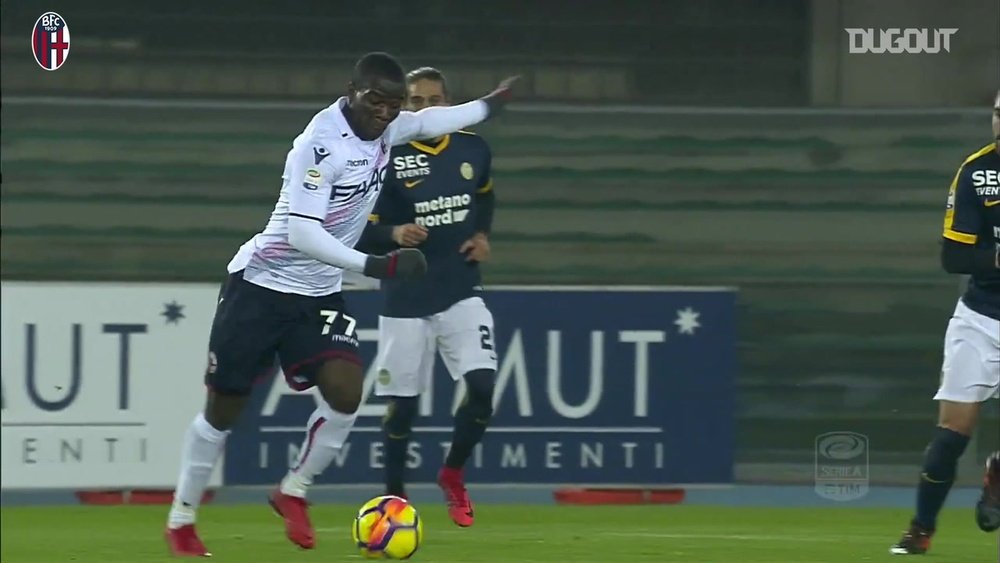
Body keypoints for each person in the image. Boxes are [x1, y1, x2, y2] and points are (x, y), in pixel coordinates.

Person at [164, 51, 518, 557]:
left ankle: (293, 490)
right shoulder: (319, 145)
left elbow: (429, 119)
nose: (387, 112)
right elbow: (302, 233)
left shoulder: (388, 125)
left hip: (318, 294)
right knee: (224, 411)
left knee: (347, 394)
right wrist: (376, 266)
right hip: (262, 286)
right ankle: (182, 517)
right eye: (377, 101)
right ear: (351, 91)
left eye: (394, 104)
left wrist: (489, 105)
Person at [356, 67, 497, 528]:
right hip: (406, 291)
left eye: (434, 100)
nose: (425, 108)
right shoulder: (385, 154)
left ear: (449, 102)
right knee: (403, 404)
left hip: (460, 284)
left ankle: (452, 474)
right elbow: (357, 231)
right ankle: (393, 499)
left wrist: (481, 233)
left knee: (481, 388)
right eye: (415, 101)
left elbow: (485, 197)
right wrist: (393, 232)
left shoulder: (473, 147)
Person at [890, 90, 1000, 555]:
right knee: (949, 437)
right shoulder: (976, 172)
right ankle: (921, 528)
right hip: (981, 318)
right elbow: (953, 256)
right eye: (998, 113)